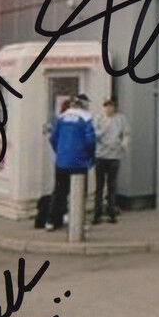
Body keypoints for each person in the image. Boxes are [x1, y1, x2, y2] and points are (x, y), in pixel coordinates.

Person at [47, 94, 96, 231]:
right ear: (84, 105)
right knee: (80, 192)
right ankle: (79, 221)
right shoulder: (86, 118)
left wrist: (60, 152)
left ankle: (52, 221)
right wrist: (90, 156)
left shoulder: (62, 117)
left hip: (62, 161)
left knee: (59, 191)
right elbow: (90, 140)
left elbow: (53, 138)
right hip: (79, 161)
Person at [92, 97, 129, 224]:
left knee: (112, 185)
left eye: (111, 106)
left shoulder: (121, 119)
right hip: (101, 155)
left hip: (114, 155)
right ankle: (97, 213)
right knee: (99, 186)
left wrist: (124, 145)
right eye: (107, 106)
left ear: (115, 107)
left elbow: (126, 133)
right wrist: (103, 130)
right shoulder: (99, 118)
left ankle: (111, 212)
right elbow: (94, 134)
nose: (109, 109)